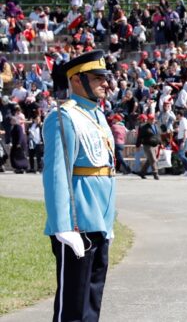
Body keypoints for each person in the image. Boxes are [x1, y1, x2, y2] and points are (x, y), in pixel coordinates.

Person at [42, 50, 116, 321]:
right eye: (98, 78)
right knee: (72, 308)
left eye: (105, 78)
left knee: (91, 305)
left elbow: (105, 173)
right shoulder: (63, 117)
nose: (106, 83)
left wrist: (108, 224)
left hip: (99, 223)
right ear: (76, 80)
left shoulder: (98, 117)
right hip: (77, 224)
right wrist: (63, 225)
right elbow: (56, 175)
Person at [136, 113, 161, 180]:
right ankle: (155, 173)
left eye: (153, 119)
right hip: (147, 145)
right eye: (150, 119)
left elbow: (158, 135)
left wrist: (160, 143)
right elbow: (139, 137)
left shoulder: (156, 126)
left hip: (155, 145)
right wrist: (138, 145)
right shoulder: (143, 127)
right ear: (148, 120)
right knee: (153, 159)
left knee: (150, 160)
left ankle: (142, 172)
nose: (152, 120)